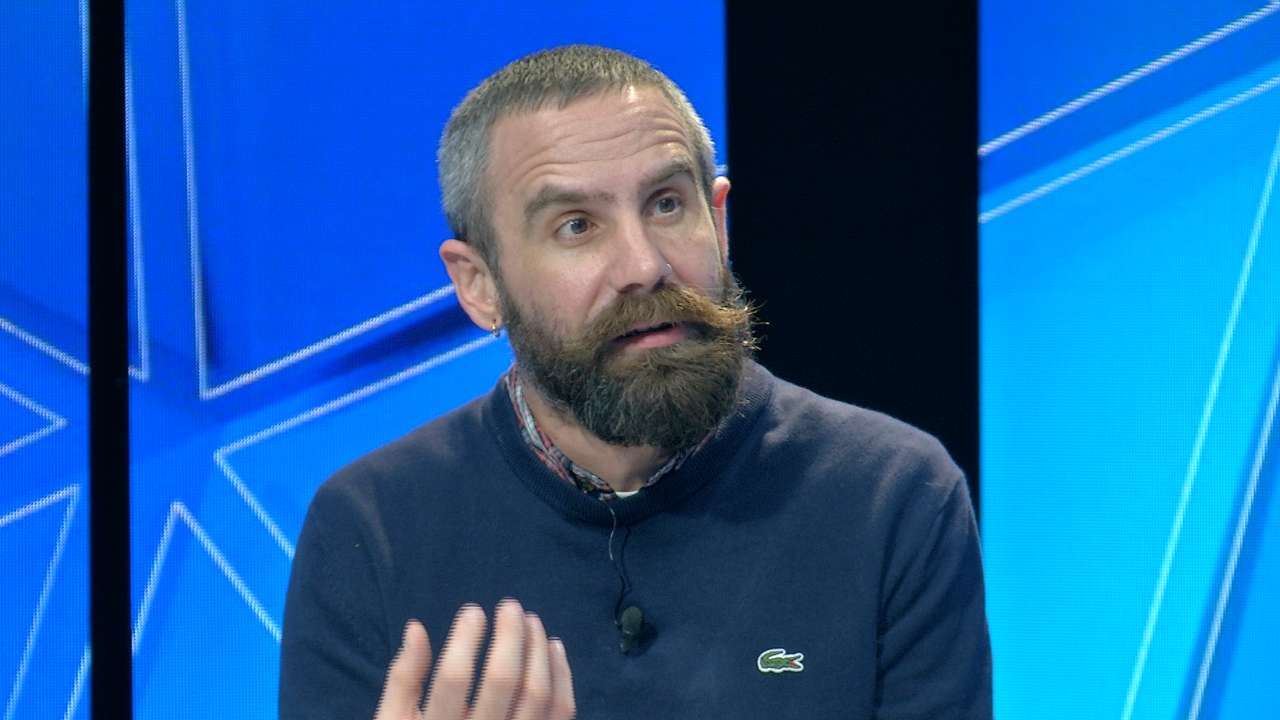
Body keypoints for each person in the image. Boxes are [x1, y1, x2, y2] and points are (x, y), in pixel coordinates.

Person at [279, 44, 991, 720]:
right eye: (577, 226)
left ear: (719, 222)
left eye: (666, 204)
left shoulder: (891, 494)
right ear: (479, 284)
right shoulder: (370, 529)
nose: (644, 266)